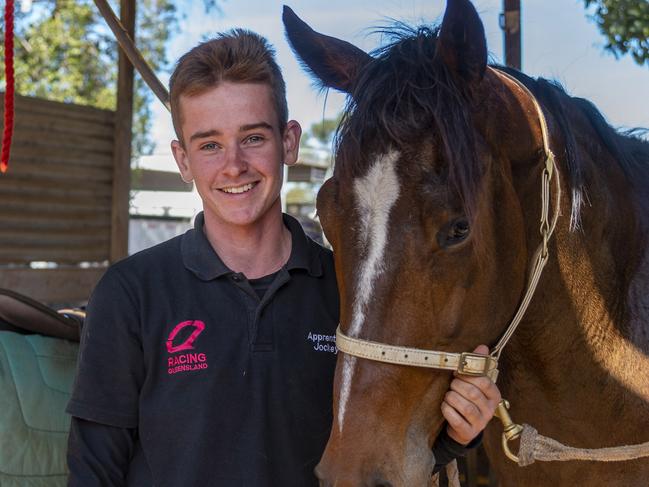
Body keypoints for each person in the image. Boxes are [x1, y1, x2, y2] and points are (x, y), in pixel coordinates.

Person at [66, 29, 501, 487]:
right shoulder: (132, 293)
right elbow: (94, 470)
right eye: (209, 144)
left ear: (288, 142)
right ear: (183, 159)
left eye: (253, 138)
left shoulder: (348, 294)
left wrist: (456, 434)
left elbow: (374, 454)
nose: (233, 165)